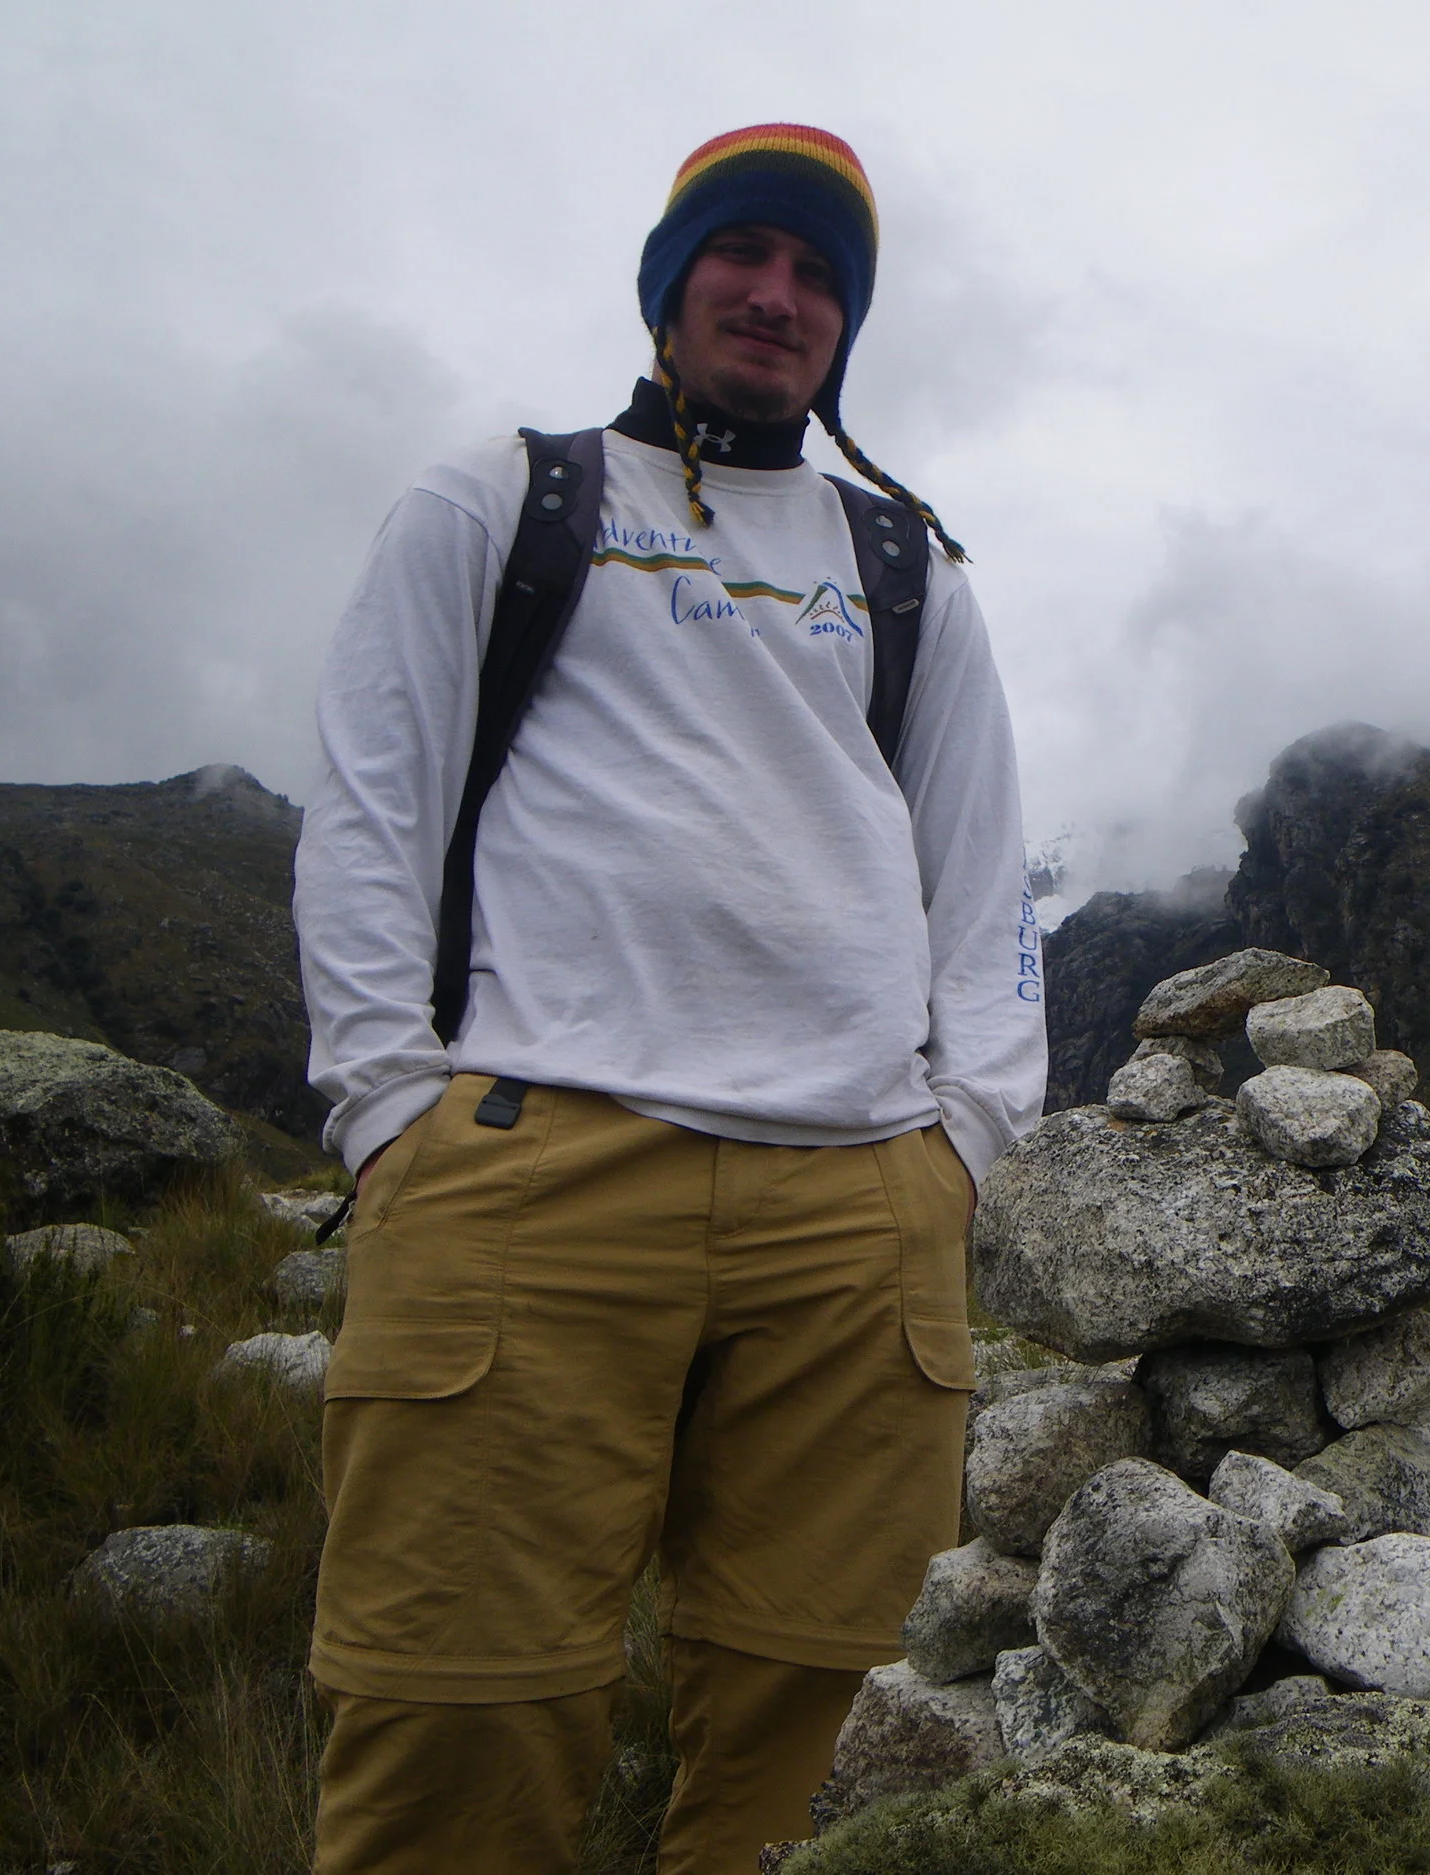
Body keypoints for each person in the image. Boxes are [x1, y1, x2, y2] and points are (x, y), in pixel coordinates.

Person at [291, 123, 1045, 1873]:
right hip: (537, 1167)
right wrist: (387, 1113)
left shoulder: (910, 565)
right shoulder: (503, 498)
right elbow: (369, 807)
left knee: (837, 1737)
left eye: (819, 277)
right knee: (454, 1714)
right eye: (744, 255)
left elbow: (988, 881)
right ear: (670, 282)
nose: (777, 297)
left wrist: (967, 1147)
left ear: (849, 322)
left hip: (857, 1210)